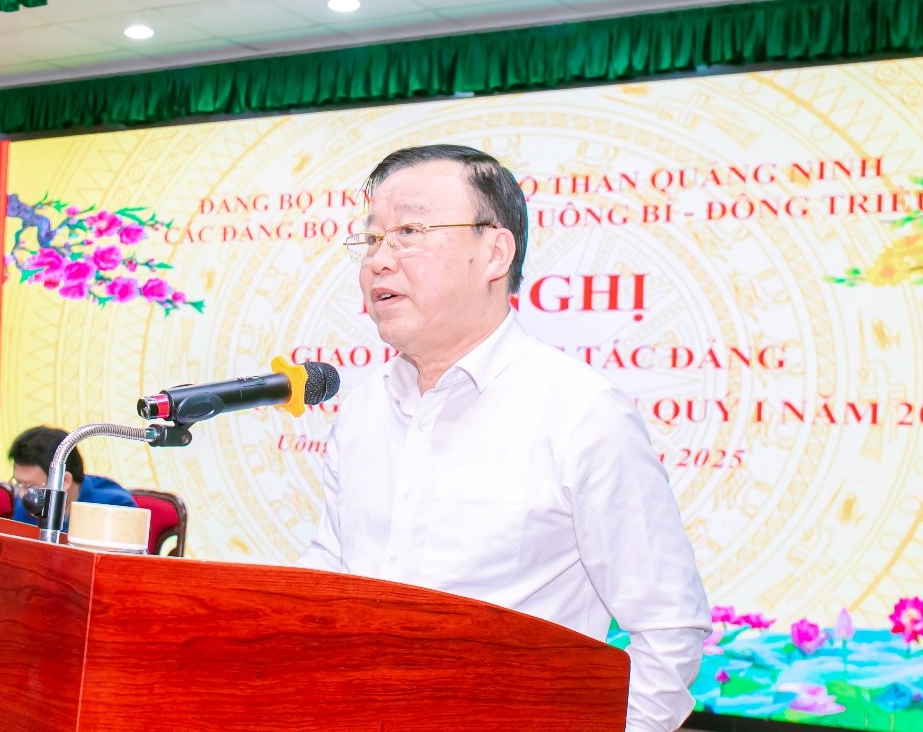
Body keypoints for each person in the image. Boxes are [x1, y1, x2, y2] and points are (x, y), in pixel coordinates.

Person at [298, 145, 710, 732]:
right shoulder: (364, 406)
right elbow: (335, 567)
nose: (379, 261)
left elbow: (668, 626)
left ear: (495, 252)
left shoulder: (582, 412)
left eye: (409, 232)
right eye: (371, 239)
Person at [8, 426, 136, 528]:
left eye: (30, 487)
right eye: (18, 483)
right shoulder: (23, 504)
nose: (22, 495)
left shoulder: (114, 507)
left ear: (64, 481)